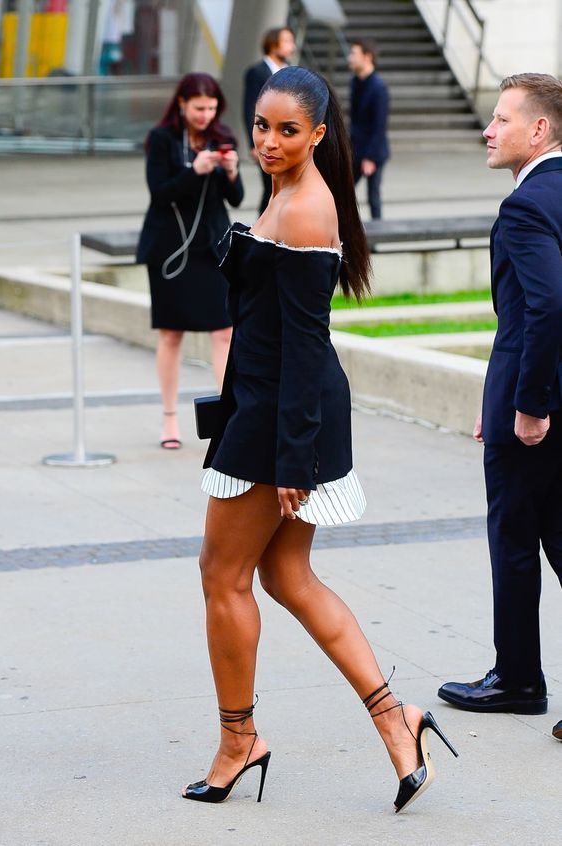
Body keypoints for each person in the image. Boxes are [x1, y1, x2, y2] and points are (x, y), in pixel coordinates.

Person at [182, 65, 457, 812]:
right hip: (276, 406)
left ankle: (239, 740)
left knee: (222, 574)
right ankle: (396, 719)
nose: (270, 142)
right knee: (286, 578)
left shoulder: (308, 209)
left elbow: (304, 344)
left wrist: (294, 454)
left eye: (287, 131)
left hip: (281, 415)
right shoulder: (283, 191)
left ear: (318, 135)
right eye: (262, 126)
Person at [437, 74, 562, 743]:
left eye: (500, 118)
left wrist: (527, 405)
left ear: (537, 130)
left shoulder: (524, 207)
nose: (487, 129)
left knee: (513, 541)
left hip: (536, 410)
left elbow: (541, 309)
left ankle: (516, 679)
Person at [137, 73, 243, 449]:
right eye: (199, 107)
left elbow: (234, 198)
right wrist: (193, 171)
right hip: (171, 250)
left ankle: (229, 418)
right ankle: (169, 419)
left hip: (213, 247)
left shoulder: (222, 135)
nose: (205, 115)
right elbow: (159, 193)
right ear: (181, 103)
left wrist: (231, 170)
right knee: (171, 333)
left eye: (211, 108)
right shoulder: (162, 139)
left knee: (225, 332)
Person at [243, 26, 296, 215]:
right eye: (287, 41)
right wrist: (253, 144)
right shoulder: (257, 72)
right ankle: (261, 231)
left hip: (286, 139)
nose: (292, 46)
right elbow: (250, 107)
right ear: (273, 44)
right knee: (270, 188)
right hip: (267, 140)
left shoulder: (291, 71)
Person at [347, 38, 390, 219]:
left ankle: (377, 240)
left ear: (368, 57)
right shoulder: (355, 82)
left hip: (374, 152)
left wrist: (370, 158)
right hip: (356, 149)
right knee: (344, 193)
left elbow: (379, 126)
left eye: (354, 54)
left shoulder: (378, 88)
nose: (350, 58)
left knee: (373, 196)